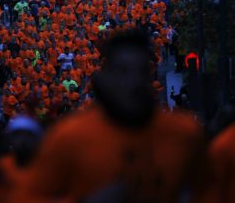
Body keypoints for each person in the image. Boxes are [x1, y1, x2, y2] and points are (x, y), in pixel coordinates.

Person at [13, 30, 206, 202]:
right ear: (107, 76)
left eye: (141, 71)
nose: (133, 81)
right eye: (123, 71)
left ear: (151, 74)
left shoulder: (185, 133)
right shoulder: (68, 137)